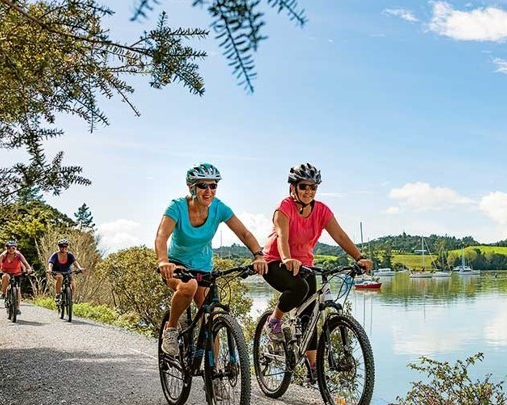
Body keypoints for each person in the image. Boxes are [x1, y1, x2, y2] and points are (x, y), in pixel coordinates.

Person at [261, 163, 373, 381]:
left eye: (313, 187)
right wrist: (286, 259)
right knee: (299, 288)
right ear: (293, 187)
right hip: (275, 262)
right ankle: (273, 321)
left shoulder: (321, 210)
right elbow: (282, 237)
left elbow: (340, 236)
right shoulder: (283, 208)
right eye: (304, 186)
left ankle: (313, 367)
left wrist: (358, 257)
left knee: (310, 313)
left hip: (305, 264)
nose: (308, 191)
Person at [155, 162, 268, 356]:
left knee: (211, 319)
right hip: (176, 264)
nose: (208, 191)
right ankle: (171, 329)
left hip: (204, 266)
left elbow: (244, 233)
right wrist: (163, 261)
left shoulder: (219, 208)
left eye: (213, 185)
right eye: (203, 185)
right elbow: (161, 236)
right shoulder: (177, 207)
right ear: (192, 186)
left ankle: (216, 374)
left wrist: (258, 255)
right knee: (188, 286)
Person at [0, 240, 33, 314]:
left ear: (15, 248)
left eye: (13, 248)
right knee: (6, 276)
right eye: (9, 248)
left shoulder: (18, 255)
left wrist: (29, 269)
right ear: (6, 248)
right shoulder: (3, 255)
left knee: (18, 289)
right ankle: (4, 293)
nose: (11, 250)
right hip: (5, 272)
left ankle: (17, 308)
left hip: (16, 273)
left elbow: (25, 263)